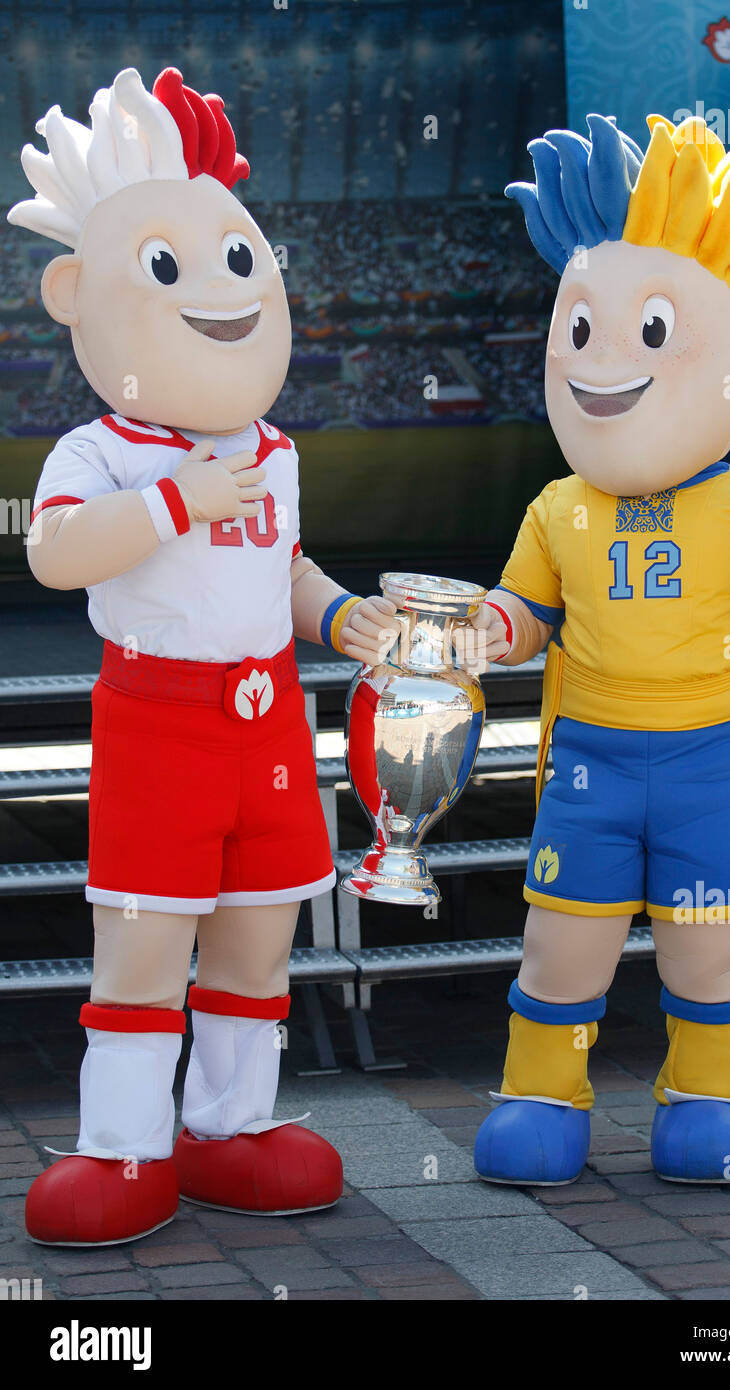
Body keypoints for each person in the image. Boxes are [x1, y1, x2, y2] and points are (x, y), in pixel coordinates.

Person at [8, 66, 403, 1246]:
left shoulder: (270, 448)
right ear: (78, 297)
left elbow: (279, 571)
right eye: (178, 269)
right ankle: (124, 1146)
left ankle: (230, 1125)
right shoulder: (97, 444)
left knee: (256, 935)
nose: (229, 292)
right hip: (159, 720)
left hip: (270, 720)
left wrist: (344, 620)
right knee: (143, 941)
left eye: (241, 261)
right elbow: (58, 552)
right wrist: (176, 499)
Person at [467, 113, 730, 1187]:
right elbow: (521, 615)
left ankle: (706, 1095)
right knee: (563, 951)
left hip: (710, 765)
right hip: (589, 761)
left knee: (711, 947)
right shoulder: (555, 506)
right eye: (579, 331)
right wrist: (473, 632)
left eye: (644, 332)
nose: (601, 363)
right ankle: (543, 1090)